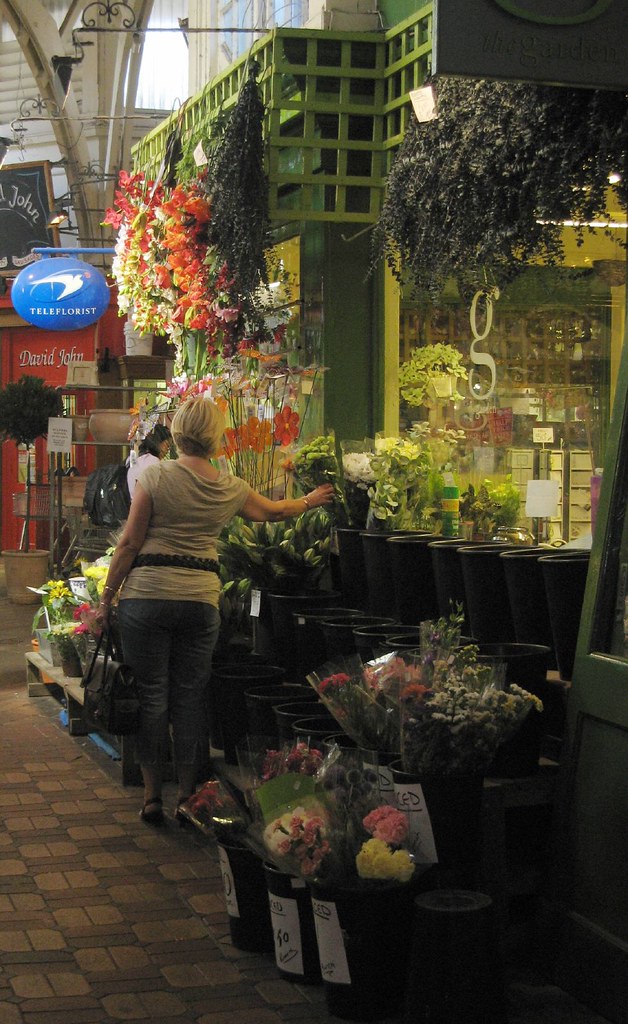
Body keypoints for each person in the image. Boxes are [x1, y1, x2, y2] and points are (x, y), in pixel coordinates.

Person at [96, 395, 334, 826]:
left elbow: (129, 544)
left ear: (179, 430)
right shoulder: (229, 486)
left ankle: (152, 796)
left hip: (147, 596)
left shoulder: (155, 477)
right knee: (189, 699)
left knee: (152, 697)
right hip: (200, 600)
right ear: (216, 437)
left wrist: (106, 599)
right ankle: (188, 795)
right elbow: (274, 511)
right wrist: (311, 500)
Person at [126, 422, 172, 499]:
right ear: (158, 443)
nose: (167, 450)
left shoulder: (133, 458)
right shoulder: (153, 463)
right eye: (167, 445)